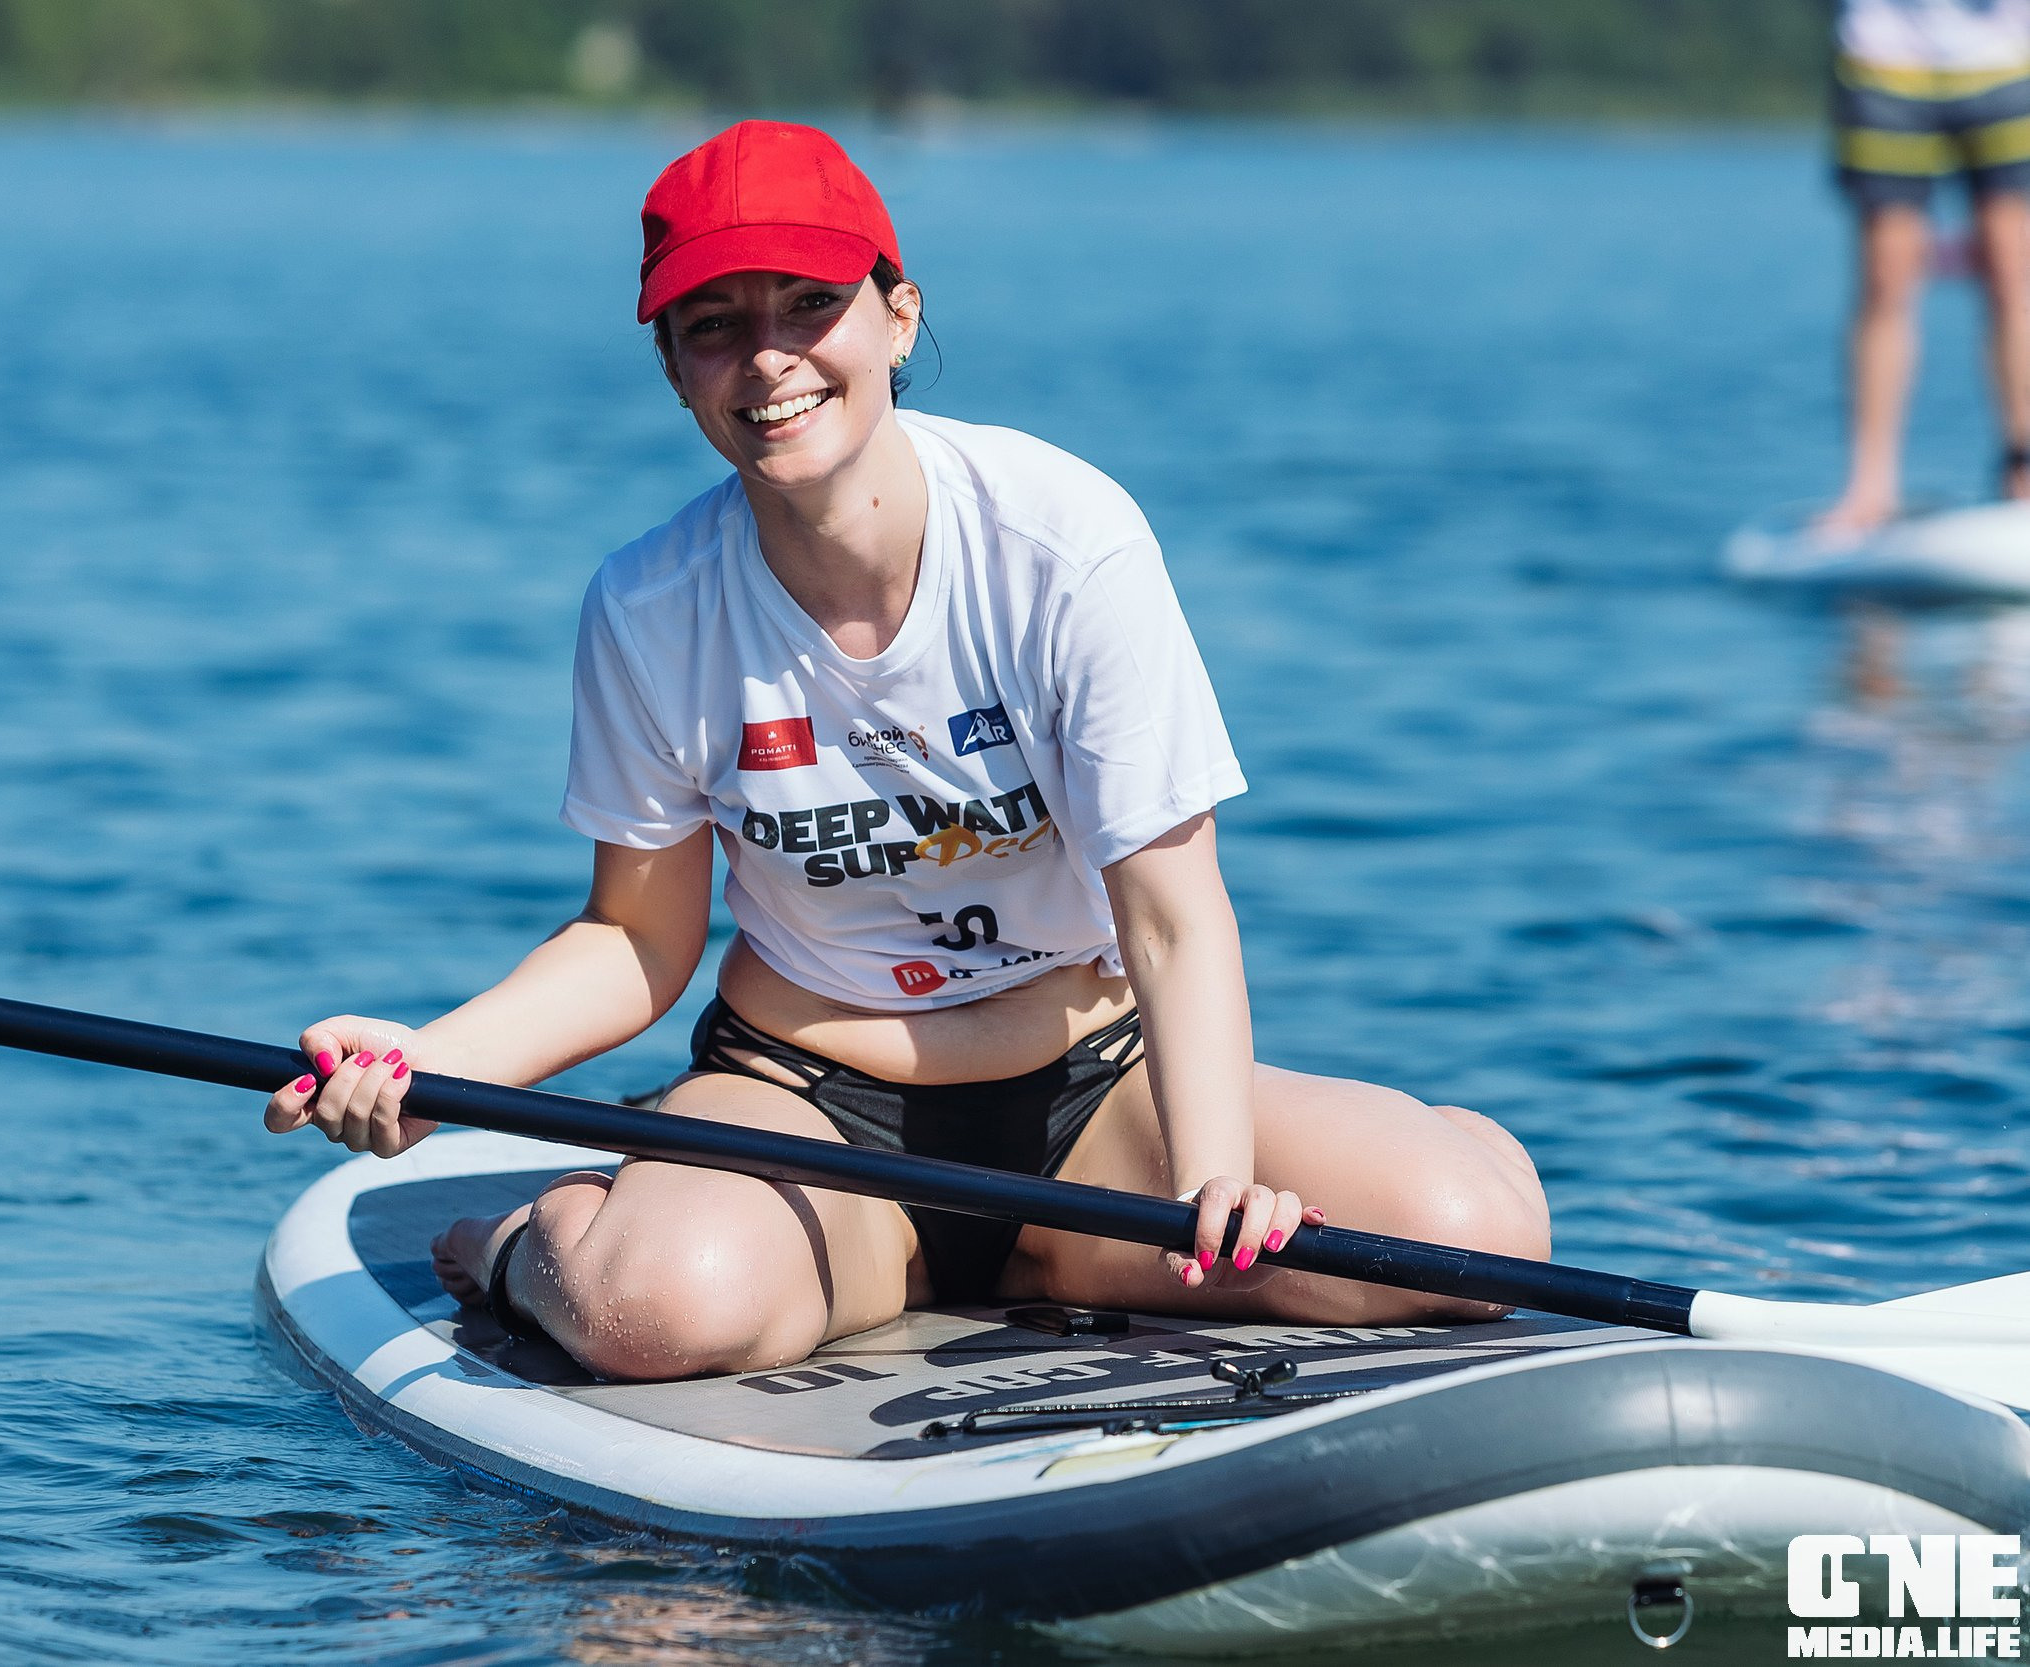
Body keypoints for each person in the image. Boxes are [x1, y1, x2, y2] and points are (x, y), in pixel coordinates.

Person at [263, 122, 1552, 1383]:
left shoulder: (1064, 543)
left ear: (896, 315)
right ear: (672, 367)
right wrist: (437, 1069)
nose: (768, 358)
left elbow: (1169, 915)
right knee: (648, 1312)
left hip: (1098, 1101)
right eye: (714, 324)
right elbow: (637, 938)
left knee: (1473, 1235)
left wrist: (1209, 1185)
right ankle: (525, 1241)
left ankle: (1017, 1251)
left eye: (808, 304)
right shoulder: (649, 606)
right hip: (808, 1108)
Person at [1821, 0, 2030, 533]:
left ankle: (2022, 470)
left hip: (2005, 56)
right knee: (1884, 278)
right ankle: (1870, 489)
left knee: (2012, 272)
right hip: (1883, 58)